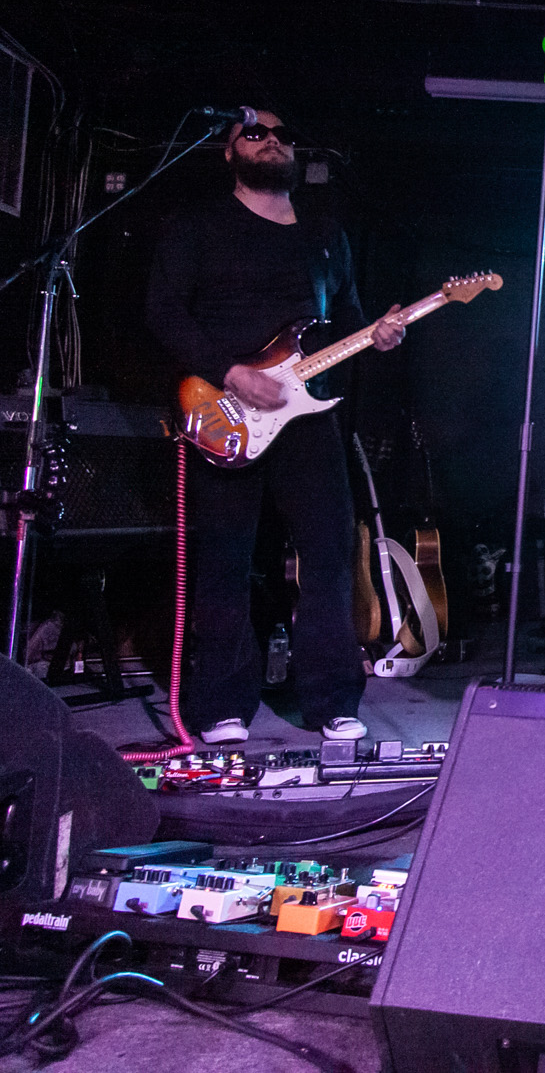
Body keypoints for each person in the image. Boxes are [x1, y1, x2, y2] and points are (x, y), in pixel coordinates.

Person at [145, 109, 403, 744]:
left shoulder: (324, 234)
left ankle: (333, 700)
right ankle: (221, 706)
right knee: (224, 557)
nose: (273, 141)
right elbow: (163, 313)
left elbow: (346, 321)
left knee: (330, 552)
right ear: (228, 151)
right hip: (223, 411)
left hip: (304, 416)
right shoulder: (198, 226)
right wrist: (230, 371)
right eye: (255, 133)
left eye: (283, 134)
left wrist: (378, 335)